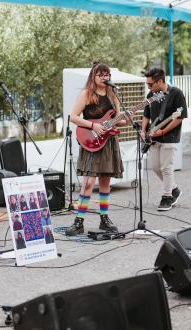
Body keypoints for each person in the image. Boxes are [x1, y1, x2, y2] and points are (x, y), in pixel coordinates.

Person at [66, 61, 128, 236]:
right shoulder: (86, 94)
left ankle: (104, 219)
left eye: (107, 74)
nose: (104, 77)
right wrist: (93, 126)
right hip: (91, 141)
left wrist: (128, 119)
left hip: (108, 142)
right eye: (100, 74)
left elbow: (118, 119)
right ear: (93, 76)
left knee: (105, 182)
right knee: (89, 183)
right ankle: (79, 221)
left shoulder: (112, 93)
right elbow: (73, 117)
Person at [141, 68, 187, 211]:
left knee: (166, 167)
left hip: (170, 136)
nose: (149, 87)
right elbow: (146, 114)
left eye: (150, 84)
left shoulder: (176, 94)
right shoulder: (151, 94)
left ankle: (167, 197)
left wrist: (164, 130)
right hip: (154, 137)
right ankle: (174, 189)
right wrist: (143, 131)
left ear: (160, 81)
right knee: (155, 167)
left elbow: (179, 117)